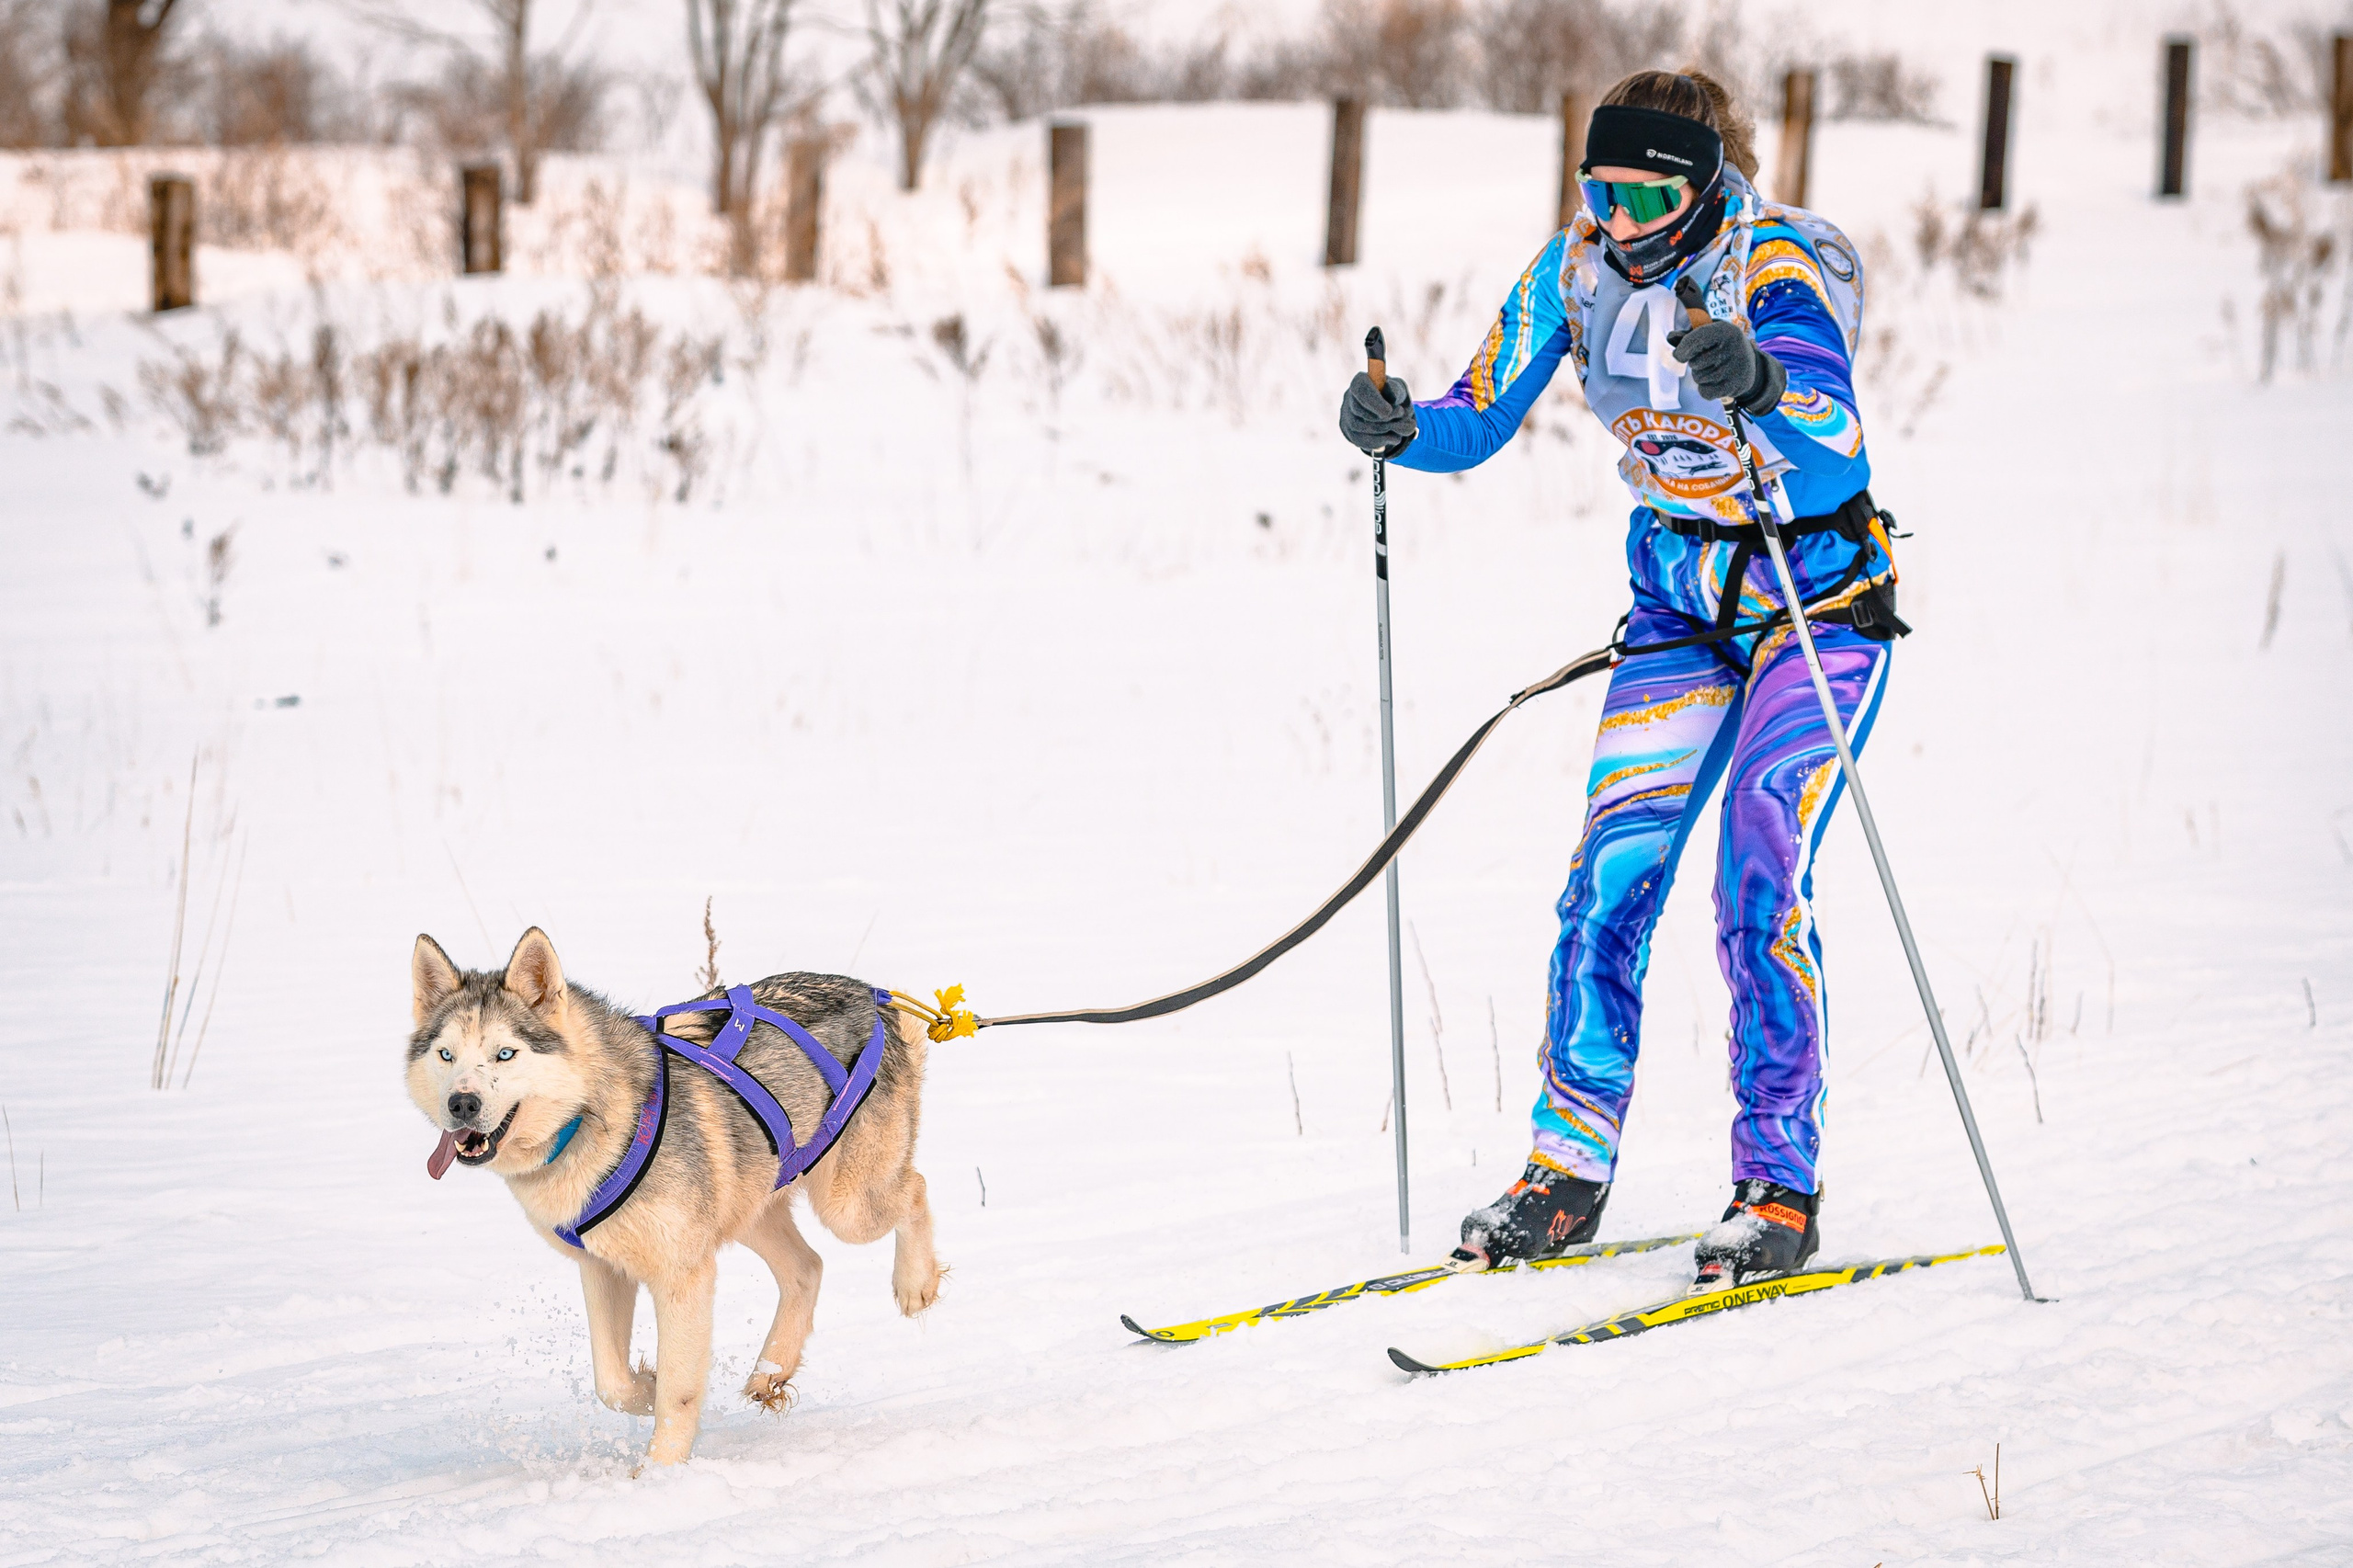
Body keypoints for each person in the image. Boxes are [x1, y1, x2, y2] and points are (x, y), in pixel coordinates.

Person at [1336, 68, 1904, 1290]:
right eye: (1597, 185)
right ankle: (1566, 1169)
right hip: (1678, 604)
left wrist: (1759, 381)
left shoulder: (1773, 265)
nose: (1617, 212)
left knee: (1759, 863)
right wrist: (1397, 424)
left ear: (1700, 180)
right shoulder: (1575, 269)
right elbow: (1477, 413)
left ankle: (1777, 1184)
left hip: (1816, 599)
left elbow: (1835, 440)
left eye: (1644, 189)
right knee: (1609, 875)